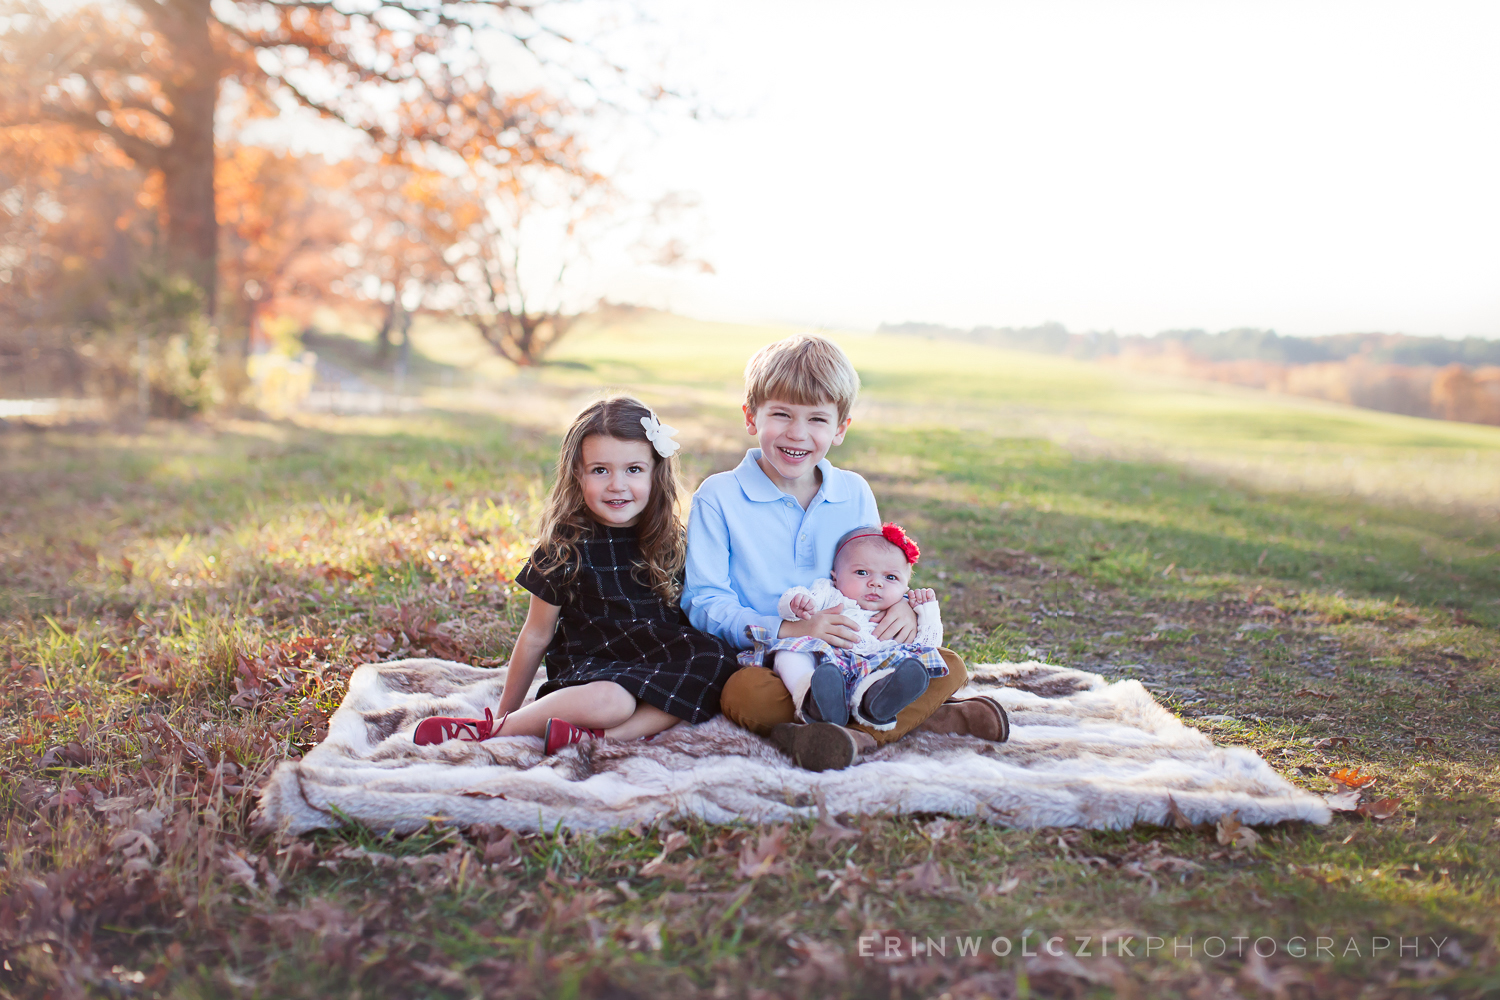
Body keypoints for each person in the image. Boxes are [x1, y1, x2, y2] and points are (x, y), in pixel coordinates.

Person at [682, 333, 1007, 772]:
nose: (797, 434)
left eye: (817, 419)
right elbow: (703, 601)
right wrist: (790, 628)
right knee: (744, 696)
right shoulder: (719, 497)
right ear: (751, 416)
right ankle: (926, 721)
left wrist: (907, 611)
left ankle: (840, 736)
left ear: (840, 428)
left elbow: (880, 566)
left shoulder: (852, 492)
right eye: (781, 414)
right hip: (774, 660)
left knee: (946, 665)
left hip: (859, 652)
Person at [414, 396, 739, 754]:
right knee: (615, 703)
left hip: (658, 657)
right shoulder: (564, 547)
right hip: (591, 667)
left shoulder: (671, 540)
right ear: (578, 475)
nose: (617, 485)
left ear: (655, 473)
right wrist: (507, 707)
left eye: (634, 470)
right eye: (601, 470)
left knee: (718, 661)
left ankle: (597, 741)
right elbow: (536, 634)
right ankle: (495, 730)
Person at [752, 523, 949, 731]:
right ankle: (811, 695)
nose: (876, 583)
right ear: (835, 577)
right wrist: (796, 604)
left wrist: (929, 614)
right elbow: (791, 607)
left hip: (872, 667)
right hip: (824, 664)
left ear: (905, 586)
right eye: (862, 572)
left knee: (907, 664)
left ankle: (876, 702)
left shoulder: (903, 611)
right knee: (789, 652)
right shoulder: (829, 593)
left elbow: (927, 647)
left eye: (891, 577)